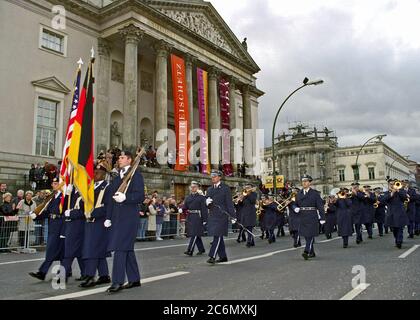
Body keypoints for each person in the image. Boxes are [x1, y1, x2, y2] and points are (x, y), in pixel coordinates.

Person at [104, 150, 145, 293]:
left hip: (129, 218)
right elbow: (110, 200)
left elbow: (140, 196)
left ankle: (117, 281)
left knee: (120, 248)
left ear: (129, 160)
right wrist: (108, 217)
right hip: (117, 218)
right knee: (127, 249)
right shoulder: (116, 179)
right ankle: (134, 279)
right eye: (119, 157)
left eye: (122, 157)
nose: (119, 159)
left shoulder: (136, 176)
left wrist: (126, 198)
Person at [78, 161, 112, 288]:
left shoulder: (107, 188)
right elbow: (83, 205)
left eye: (98, 173)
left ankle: (90, 276)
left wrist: (93, 213)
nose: (95, 174)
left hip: (99, 223)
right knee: (98, 250)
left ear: (103, 175)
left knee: (92, 250)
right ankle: (104, 275)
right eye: (94, 172)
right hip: (89, 223)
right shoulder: (90, 187)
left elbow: (108, 207)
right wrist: (83, 199)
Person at [28, 177, 65, 281]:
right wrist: (36, 216)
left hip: (60, 225)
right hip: (53, 224)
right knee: (60, 251)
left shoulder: (64, 197)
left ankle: (43, 272)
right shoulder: (52, 197)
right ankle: (65, 272)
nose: (54, 185)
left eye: (57, 183)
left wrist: (64, 229)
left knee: (55, 250)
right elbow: (47, 211)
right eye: (53, 183)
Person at [291, 175, 325, 260]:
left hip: (311, 215)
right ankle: (312, 252)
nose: (304, 183)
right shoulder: (299, 194)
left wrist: (322, 218)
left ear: (310, 183)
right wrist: (295, 208)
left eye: (306, 181)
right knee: (306, 235)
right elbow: (294, 203)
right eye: (303, 181)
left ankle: (306, 251)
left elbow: (320, 206)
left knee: (310, 234)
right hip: (302, 216)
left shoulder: (315, 193)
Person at [205, 170, 236, 264]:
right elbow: (208, 203)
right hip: (213, 215)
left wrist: (233, 216)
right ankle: (223, 257)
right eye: (212, 176)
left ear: (219, 177)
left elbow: (229, 203)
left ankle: (212, 256)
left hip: (222, 215)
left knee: (217, 235)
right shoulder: (209, 189)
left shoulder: (225, 188)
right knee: (218, 236)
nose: (212, 178)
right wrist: (207, 203)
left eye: (214, 176)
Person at [380, 179, 409, 249]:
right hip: (391, 213)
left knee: (400, 228)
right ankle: (397, 239)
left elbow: (405, 198)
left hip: (400, 212)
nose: (392, 185)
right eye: (391, 184)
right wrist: (391, 194)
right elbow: (383, 200)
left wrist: (398, 191)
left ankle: (399, 241)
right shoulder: (387, 193)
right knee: (394, 229)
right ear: (389, 185)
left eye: (394, 184)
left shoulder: (401, 191)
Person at [182, 181, 208, 256]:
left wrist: (205, 219)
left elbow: (204, 209)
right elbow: (185, 207)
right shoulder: (188, 197)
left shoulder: (201, 197)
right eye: (192, 187)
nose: (193, 188)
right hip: (190, 216)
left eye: (194, 187)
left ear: (197, 188)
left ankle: (190, 250)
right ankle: (201, 249)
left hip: (198, 216)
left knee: (194, 234)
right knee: (196, 234)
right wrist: (182, 210)